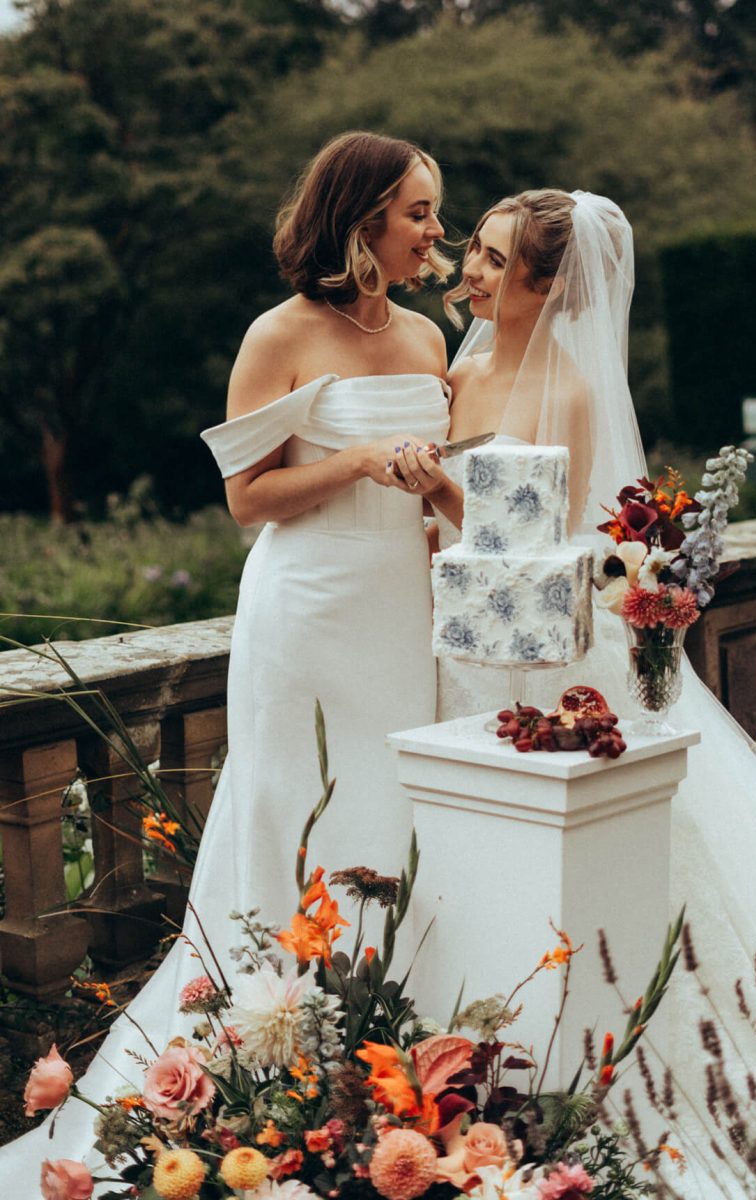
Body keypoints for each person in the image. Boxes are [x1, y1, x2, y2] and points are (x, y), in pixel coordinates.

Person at [388, 189, 756, 1196]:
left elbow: (541, 544)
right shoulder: (460, 362)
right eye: (474, 253)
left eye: (493, 262)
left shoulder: (569, 389)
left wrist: (438, 493)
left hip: (547, 654)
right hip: (462, 634)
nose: (470, 272)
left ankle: (629, 1028)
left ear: (547, 287)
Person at [1, 130, 453, 1196]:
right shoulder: (279, 333)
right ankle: (266, 1055)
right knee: (291, 809)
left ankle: (403, 1053)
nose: (436, 230)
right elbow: (247, 501)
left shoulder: (434, 340)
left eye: (435, 212)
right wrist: (351, 461)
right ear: (361, 223)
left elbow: (447, 486)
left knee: (397, 808)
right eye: (419, 211)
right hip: (307, 605)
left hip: (403, 603)